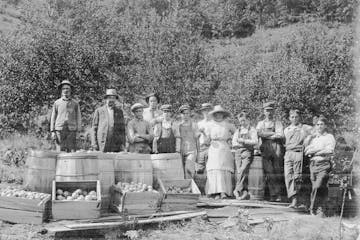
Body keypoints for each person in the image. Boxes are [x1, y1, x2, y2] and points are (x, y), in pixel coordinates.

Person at [304, 116, 335, 216]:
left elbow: (329, 150)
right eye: (317, 124)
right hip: (313, 165)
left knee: (318, 186)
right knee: (317, 188)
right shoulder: (313, 138)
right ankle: (320, 209)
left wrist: (315, 151)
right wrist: (320, 150)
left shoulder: (329, 137)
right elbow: (307, 151)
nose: (319, 126)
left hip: (324, 165)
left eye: (321, 124)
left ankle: (313, 208)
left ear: (325, 125)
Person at [204, 105, 236, 199]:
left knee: (223, 169)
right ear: (214, 114)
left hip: (224, 148)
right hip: (214, 148)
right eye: (217, 114)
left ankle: (224, 192)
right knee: (215, 168)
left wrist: (232, 140)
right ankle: (215, 192)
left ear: (223, 115)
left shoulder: (227, 124)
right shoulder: (209, 124)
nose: (219, 115)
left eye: (220, 113)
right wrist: (204, 136)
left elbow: (237, 132)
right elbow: (206, 140)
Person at [283, 109, 312, 208]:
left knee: (297, 176)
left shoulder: (304, 127)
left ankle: (298, 201)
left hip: (298, 153)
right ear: (289, 118)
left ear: (299, 118)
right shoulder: (287, 129)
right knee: (288, 176)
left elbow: (316, 132)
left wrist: (307, 141)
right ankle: (293, 198)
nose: (294, 119)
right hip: (288, 153)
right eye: (292, 117)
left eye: (296, 117)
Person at [256, 101, 284, 202]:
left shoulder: (277, 122)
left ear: (273, 111)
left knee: (277, 170)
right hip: (265, 147)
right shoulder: (260, 123)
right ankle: (272, 194)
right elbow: (259, 133)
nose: (269, 113)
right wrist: (273, 133)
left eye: (271, 111)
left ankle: (278, 194)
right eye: (267, 111)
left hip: (276, 147)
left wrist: (266, 134)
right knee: (268, 171)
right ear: (264, 112)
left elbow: (280, 135)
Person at [232, 111, 258, 200]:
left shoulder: (252, 129)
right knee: (240, 172)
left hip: (247, 152)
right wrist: (241, 144)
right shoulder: (238, 130)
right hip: (238, 153)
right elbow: (234, 143)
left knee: (243, 170)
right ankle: (244, 192)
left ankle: (236, 189)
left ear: (248, 120)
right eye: (240, 121)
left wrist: (243, 141)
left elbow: (255, 141)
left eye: (243, 120)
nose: (242, 123)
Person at [50, 80, 81, 152]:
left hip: (71, 130)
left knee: (71, 151)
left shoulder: (75, 103)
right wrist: (52, 131)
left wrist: (78, 131)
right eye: (64, 89)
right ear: (61, 90)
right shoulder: (57, 103)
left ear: (70, 90)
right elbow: (53, 117)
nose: (65, 90)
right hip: (59, 130)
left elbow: (78, 117)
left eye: (67, 88)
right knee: (60, 151)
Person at [175, 104, 200, 179]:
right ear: (180, 114)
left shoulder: (194, 125)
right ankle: (185, 188)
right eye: (183, 113)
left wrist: (198, 153)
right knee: (181, 171)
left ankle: (191, 187)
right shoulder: (178, 125)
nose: (185, 115)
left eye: (187, 113)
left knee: (188, 169)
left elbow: (197, 140)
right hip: (181, 151)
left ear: (190, 114)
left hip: (191, 151)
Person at [197, 103, 213, 173]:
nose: (206, 112)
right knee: (199, 170)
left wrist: (203, 132)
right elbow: (196, 137)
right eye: (204, 111)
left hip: (211, 147)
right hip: (201, 148)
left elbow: (211, 137)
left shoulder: (213, 123)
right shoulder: (199, 123)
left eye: (208, 110)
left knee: (210, 169)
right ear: (202, 112)